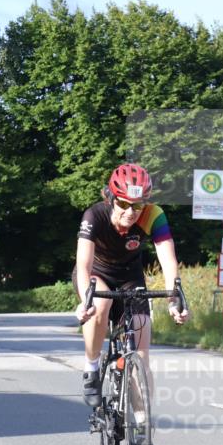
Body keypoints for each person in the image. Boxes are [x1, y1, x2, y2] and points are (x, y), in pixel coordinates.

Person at [74, 163, 189, 412]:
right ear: (111, 198)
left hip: (130, 277)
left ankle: (141, 425)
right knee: (100, 304)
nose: (131, 212)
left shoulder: (153, 214)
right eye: (124, 204)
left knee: (142, 351)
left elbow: (167, 259)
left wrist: (174, 299)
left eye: (137, 206)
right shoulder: (94, 216)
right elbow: (83, 264)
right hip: (97, 273)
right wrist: (86, 300)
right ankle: (91, 367)